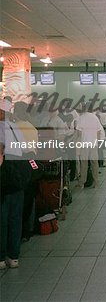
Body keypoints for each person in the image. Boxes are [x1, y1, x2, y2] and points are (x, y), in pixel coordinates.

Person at [0, 99, 32, 270]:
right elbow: (24, 150)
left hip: (4, 176)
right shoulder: (15, 128)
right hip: (18, 177)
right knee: (15, 217)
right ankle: (13, 257)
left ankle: (0, 256)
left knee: (2, 217)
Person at [13, 101, 39, 242]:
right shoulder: (31, 127)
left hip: (18, 165)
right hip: (32, 163)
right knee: (30, 197)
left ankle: (18, 231)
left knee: (18, 200)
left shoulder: (13, 128)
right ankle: (27, 230)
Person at [75, 103, 103, 189]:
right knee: (94, 163)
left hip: (85, 144)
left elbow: (79, 134)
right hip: (93, 144)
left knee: (84, 164)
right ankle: (96, 182)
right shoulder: (95, 118)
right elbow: (99, 131)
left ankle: (82, 183)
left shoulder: (81, 118)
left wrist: (76, 144)